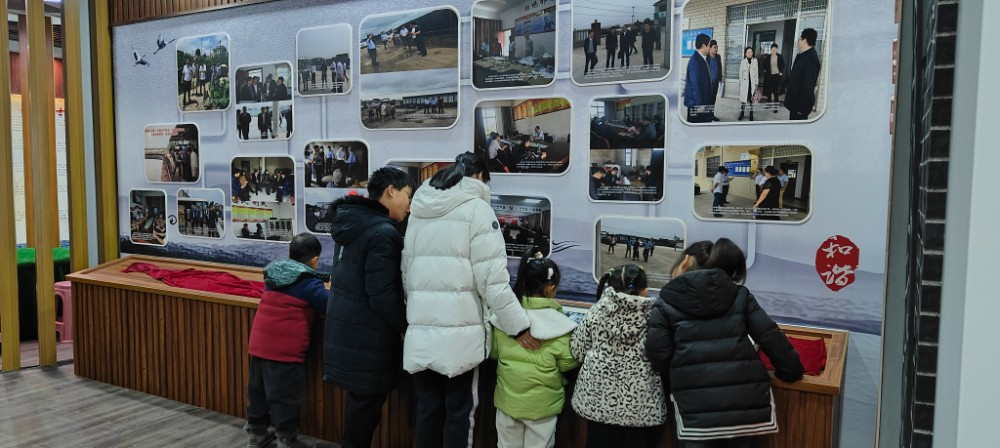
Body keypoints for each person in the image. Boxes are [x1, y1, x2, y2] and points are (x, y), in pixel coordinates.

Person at [402, 152, 537, 448]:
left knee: (427, 411)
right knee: (460, 415)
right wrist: (518, 326)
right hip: (460, 340)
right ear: (478, 178)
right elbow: (493, 281)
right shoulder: (478, 209)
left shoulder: (419, 210)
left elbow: (406, 272)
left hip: (421, 332)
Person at [646, 238, 804, 447]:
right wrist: (791, 370)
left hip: (696, 416)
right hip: (746, 412)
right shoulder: (740, 295)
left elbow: (658, 355)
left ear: (686, 262)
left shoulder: (666, 302)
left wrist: (684, 373)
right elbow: (770, 336)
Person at [324, 167, 415, 448]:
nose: (409, 205)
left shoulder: (352, 223)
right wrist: (405, 326)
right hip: (369, 337)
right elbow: (382, 295)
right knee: (365, 412)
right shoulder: (382, 232)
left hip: (348, 331)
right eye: (408, 195)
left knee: (359, 408)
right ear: (391, 191)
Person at [245, 233, 329, 448]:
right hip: (284, 351)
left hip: (259, 345)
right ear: (315, 260)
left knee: (257, 393)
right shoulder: (309, 283)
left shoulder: (273, 276)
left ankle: (256, 435)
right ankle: (285, 439)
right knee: (284, 397)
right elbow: (329, 305)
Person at [491, 248, 579, 448]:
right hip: (543, 407)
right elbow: (567, 363)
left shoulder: (505, 319)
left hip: (508, 404)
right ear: (550, 288)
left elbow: (494, 352)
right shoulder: (560, 325)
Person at [571, 264, 667, 448]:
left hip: (599, 405)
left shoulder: (597, 311)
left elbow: (577, 350)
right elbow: (662, 356)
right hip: (641, 408)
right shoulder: (655, 316)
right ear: (642, 289)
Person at [784, 28, 821, 120]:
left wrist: (802, 108)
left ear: (805, 40)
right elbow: (795, 76)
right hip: (795, 102)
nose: (798, 41)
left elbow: (808, 86)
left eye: (800, 39)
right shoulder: (803, 55)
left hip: (799, 107)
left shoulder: (811, 59)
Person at [684, 34, 713, 123]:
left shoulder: (701, 58)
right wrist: (699, 105)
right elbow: (695, 85)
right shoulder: (695, 61)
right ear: (703, 46)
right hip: (697, 105)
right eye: (709, 46)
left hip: (703, 102)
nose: (710, 48)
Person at [738, 46, 759, 121]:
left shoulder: (755, 61)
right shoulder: (743, 62)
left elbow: (756, 73)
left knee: (751, 100)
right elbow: (740, 73)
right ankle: (742, 113)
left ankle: (751, 114)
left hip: (752, 84)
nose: (750, 53)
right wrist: (740, 83)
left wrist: (756, 83)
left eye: (751, 52)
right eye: (748, 52)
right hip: (745, 84)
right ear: (745, 54)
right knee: (743, 100)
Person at [762, 44, 785, 110]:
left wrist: (781, 72)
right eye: (772, 49)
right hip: (769, 76)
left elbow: (783, 65)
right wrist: (765, 70)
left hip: (776, 76)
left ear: (777, 49)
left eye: (775, 49)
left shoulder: (780, 56)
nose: (774, 50)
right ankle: (768, 105)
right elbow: (764, 64)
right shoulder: (768, 57)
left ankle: (775, 107)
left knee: (776, 92)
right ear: (771, 49)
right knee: (768, 91)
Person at [707, 40, 724, 122]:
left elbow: (719, 67)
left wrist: (720, 78)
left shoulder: (718, 57)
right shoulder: (706, 57)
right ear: (710, 48)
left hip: (715, 82)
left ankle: (711, 115)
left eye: (717, 47)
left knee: (713, 99)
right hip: (707, 83)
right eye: (715, 47)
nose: (716, 49)